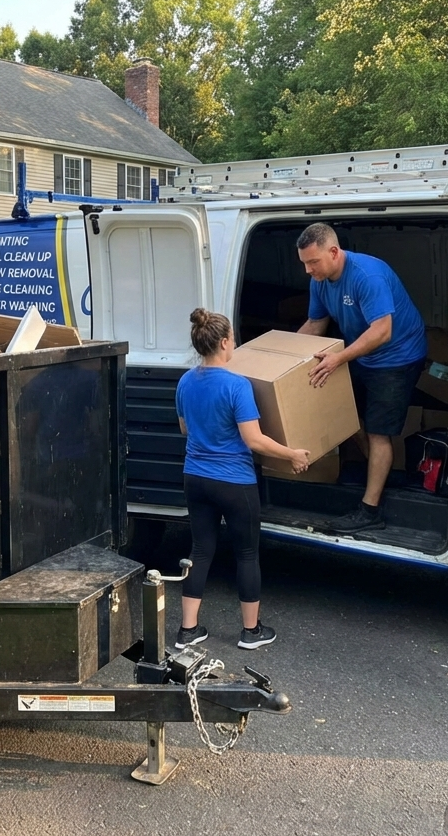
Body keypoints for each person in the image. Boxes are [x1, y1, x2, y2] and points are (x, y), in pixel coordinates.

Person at [174, 308, 311, 650]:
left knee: (201, 550)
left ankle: (187, 630)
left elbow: (185, 429)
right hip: (234, 481)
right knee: (247, 553)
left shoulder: (185, 381)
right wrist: (292, 453)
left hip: (195, 477)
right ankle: (251, 632)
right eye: (233, 338)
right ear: (224, 342)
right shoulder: (238, 386)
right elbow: (254, 440)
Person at [296, 223, 427, 533]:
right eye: (304, 263)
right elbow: (316, 324)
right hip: (361, 353)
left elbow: (383, 331)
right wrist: (282, 356)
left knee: (379, 432)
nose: (308, 270)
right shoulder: (321, 279)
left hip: (398, 356)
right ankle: (380, 474)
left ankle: (370, 511)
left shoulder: (367, 276)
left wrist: (338, 358)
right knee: (347, 414)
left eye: (313, 262)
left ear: (333, 252)